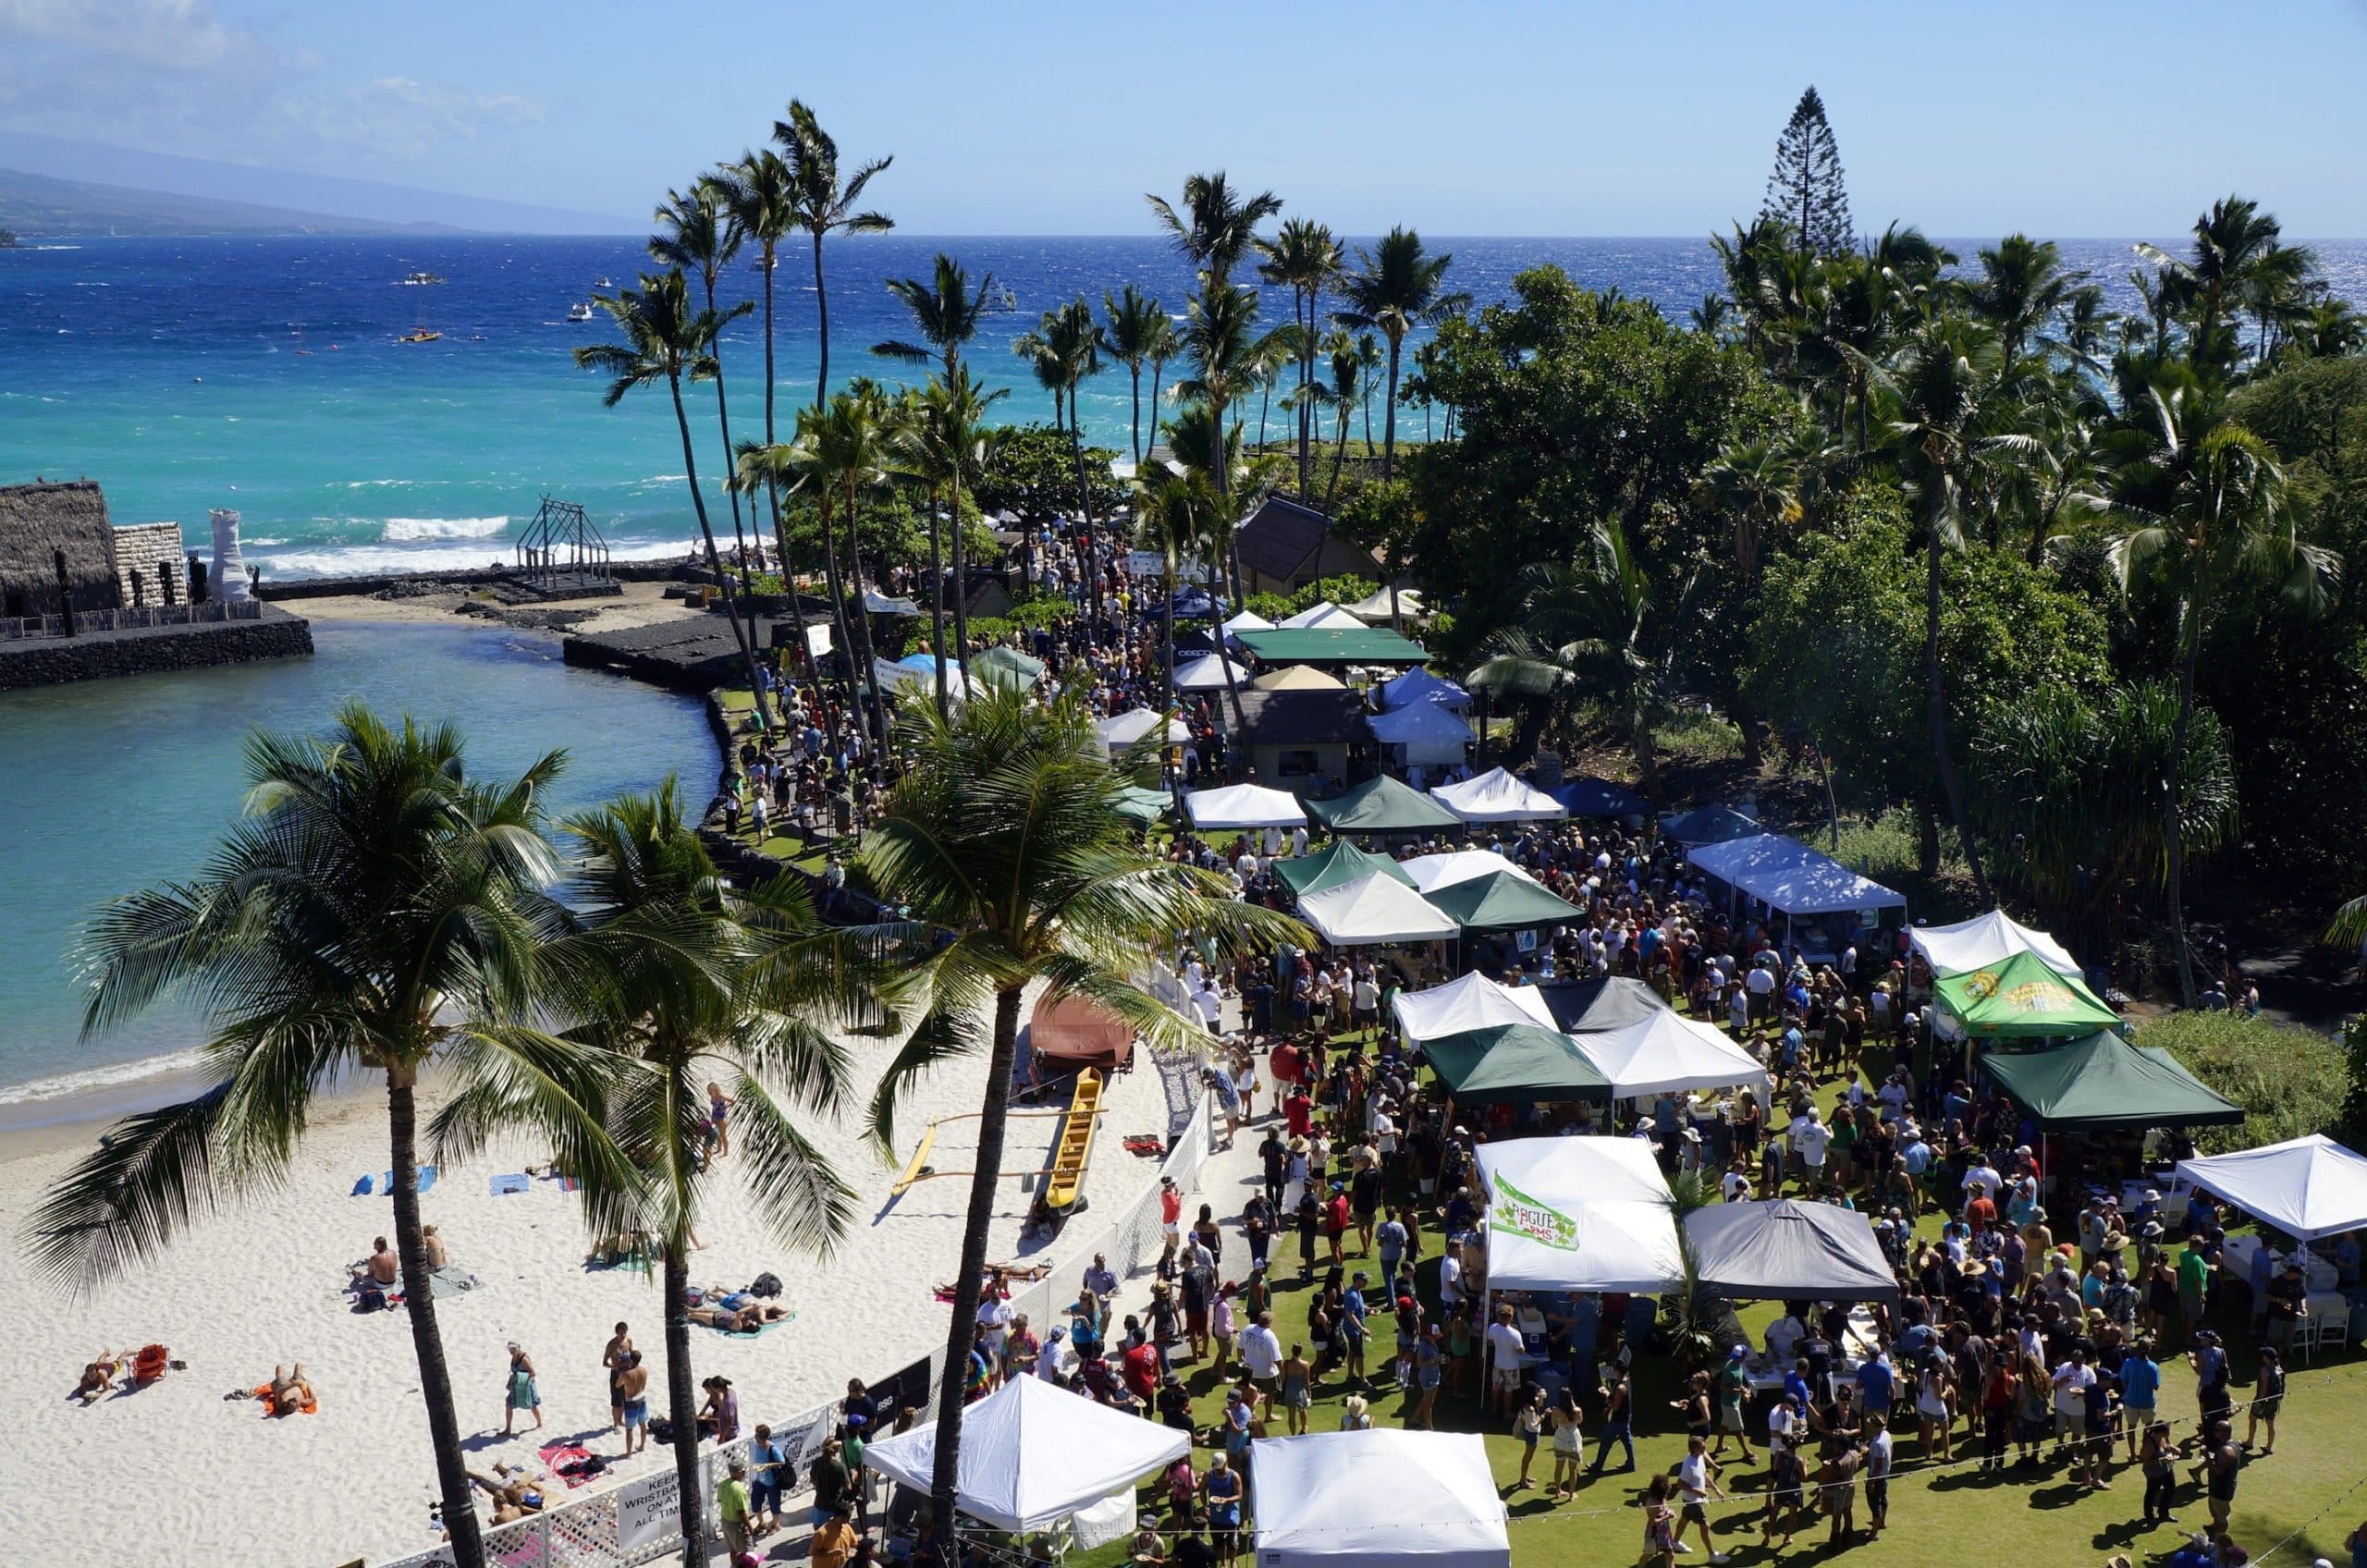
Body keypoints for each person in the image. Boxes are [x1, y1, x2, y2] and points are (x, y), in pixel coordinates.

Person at [1674, 1434, 1730, 1561]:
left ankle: (1675, 1543)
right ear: (1694, 1449)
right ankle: (1712, 1555)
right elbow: (1679, 1484)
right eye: (1702, 1447)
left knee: (1684, 1520)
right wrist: (1697, 1491)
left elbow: (1705, 1474)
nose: (1705, 1448)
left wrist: (1716, 1490)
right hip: (1693, 1501)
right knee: (1705, 1526)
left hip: (1693, 1500)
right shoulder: (1689, 1465)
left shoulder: (1700, 1457)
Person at [1590, 1361, 1636, 1475]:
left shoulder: (1620, 1387)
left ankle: (1597, 1466)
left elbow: (1615, 1406)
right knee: (1627, 1441)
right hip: (1625, 1417)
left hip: (1618, 1419)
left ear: (1617, 1371)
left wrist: (1606, 1394)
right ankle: (1631, 1464)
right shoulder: (1625, 1380)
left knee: (1606, 1441)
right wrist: (1607, 1408)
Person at [748, 1422, 788, 1536]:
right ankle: (761, 1522)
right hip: (759, 1480)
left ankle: (776, 1524)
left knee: (774, 1504)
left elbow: (782, 1462)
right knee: (755, 1502)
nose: (755, 1437)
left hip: (771, 1482)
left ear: (762, 1437)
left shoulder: (772, 1449)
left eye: (757, 1435)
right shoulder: (756, 1446)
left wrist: (768, 1465)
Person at [2246, 1345, 2285, 1456]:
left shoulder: (2265, 1369)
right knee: (2270, 1423)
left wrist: (2258, 1401)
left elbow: (2264, 1388)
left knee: (2252, 1418)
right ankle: (2269, 1447)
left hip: (2263, 1400)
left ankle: (2249, 1442)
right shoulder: (2279, 1368)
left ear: (2266, 1357)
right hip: (2274, 1401)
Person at [716, 1456, 754, 1561]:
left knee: (733, 1549)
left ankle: (734, 1565)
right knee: (748, 1552)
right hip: (737, 1524)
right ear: (739, 1472)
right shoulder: (739, 1490)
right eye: (744, 1470)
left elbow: (719, 1500)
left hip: (725, 1521)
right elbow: (741, 1513)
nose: (745, 1472)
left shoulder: (722, 1484)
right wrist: (749, 1526)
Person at [1863, 1413, 1894, 1539]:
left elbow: (1878, 1465)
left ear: (1875, 1426)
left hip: (1877, 1476)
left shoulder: (1877, 1443)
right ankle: (1881, 1522)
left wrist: (1872, 1482)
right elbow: (1891, 1450)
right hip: (1884, 1474)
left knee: (1874, 1503)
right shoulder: (1886, 1435)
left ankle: (1874, 1533)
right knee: (1883, 1498)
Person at [1640, 1472, 1679, 1567]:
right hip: (1653, 1533)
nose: (1670, 1486)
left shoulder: (1663, 1497)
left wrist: (1671, 1512)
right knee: (1648, 1554)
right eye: (1667, 1485)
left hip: (1664, 1531)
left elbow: (1665, 1509)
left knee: (1670, 1555)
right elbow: (1653, 1521)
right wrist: (1667, 1517)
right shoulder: (1652, 1503)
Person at [502, 1342, 542, 1435]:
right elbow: (513, 1372)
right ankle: (508, 1429)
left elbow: (533, 1373)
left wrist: (520, 1378)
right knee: (508, 1404)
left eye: (514, 1349)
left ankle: (539, 1423)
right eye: (510, 1349)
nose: (512, 1351)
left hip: (526, 1386)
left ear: (519, 1348)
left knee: (532, 1405)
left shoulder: (524, 1359)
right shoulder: (514, 1357)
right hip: (516, 1385)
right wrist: (509, 1382)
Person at [617, 1351, 649, 1455]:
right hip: (641, 1398)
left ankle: (629, 1453)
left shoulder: (625, 1373)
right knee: (642, 1424)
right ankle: (642, 1446)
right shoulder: (644, 1371)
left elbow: (617, 1385)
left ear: (630, 1359)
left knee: (629, 1429)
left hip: (631, 1401)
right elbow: (643, 1387)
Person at [603, 1322, 633, 1431]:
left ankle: (621, 1420)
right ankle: (615, 1424)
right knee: (616, 1402)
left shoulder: (628, 1341)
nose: (623, 1335)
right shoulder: (611, 1344)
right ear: (616, 1333)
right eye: (620, 1333)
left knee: (625, 1399)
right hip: (616, 1374)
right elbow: (604, 1363)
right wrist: (615, 1366)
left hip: (627, 1374)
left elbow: (632, 1355)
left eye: (624, 1333)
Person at [810, 1502, 857, 1568]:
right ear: (840, 1516)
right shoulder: (822, 1533)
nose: (848, 1520)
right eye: (847, 1517)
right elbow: (813, 1552)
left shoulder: (846, 1527)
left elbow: (855, 1543)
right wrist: (831, 1553)